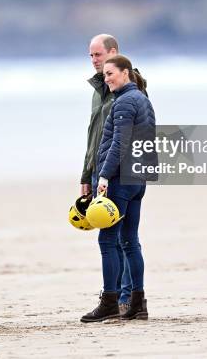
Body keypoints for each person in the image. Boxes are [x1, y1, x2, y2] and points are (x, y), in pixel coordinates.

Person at [80, 54, 155, 323]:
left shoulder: (124, 102)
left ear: (125, 73)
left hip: (121, 180)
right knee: (130, 241)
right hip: (137, 180)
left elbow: (119, 144)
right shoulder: (143, 99)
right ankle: (137, 303)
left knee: (108, 240)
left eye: (110, 73)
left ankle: (110, 301)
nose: (107, 79)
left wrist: (103, 175)